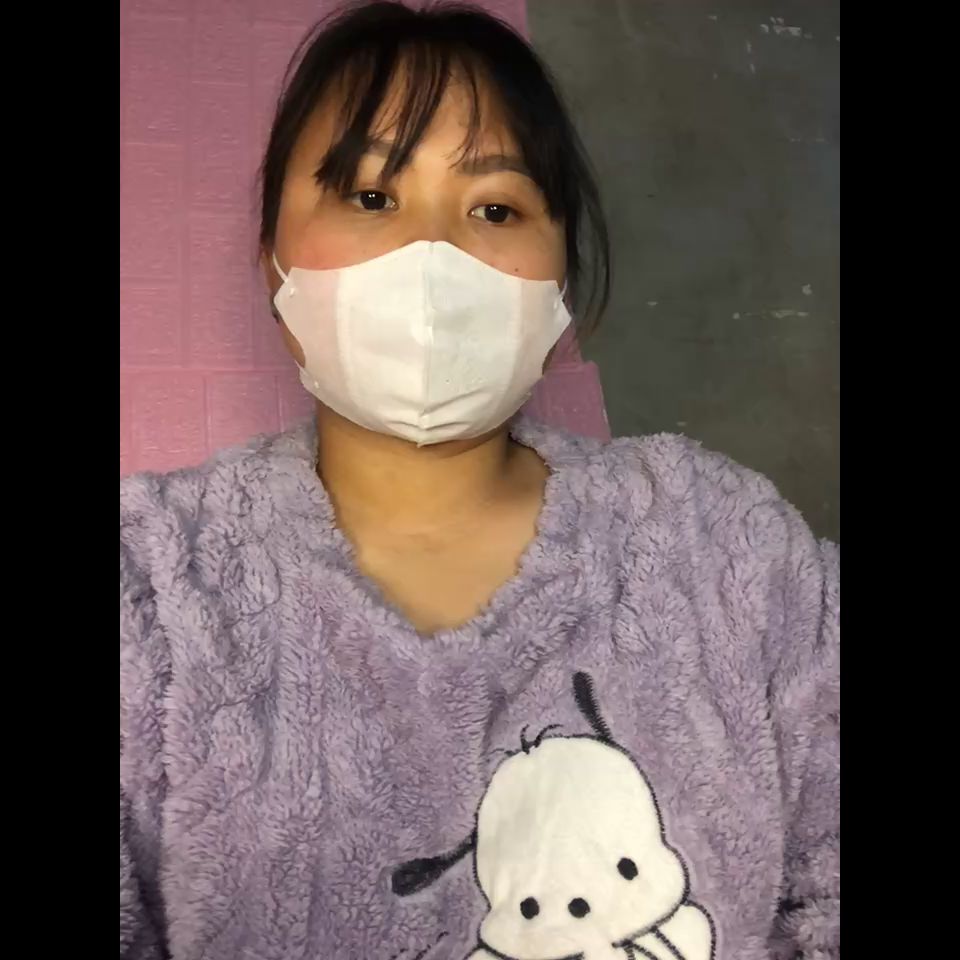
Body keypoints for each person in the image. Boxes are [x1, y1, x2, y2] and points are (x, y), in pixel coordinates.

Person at [119, 3, 839, 958]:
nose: (433, 253)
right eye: (371, 195)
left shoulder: (730, 552)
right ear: (272, 260)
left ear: (559, 281)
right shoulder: (152, 588)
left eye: (495, 209)